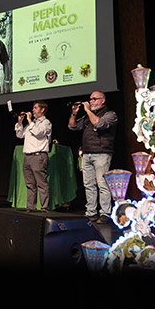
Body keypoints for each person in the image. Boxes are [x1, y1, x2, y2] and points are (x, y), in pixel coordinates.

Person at [68, 91, 118, 221]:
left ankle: (105, 213)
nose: (91, 102)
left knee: (102, 184)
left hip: (102, 153)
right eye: (90, 99)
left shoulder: (110, 114)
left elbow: (99, 124)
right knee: (89, 184)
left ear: (102, 101)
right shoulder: (87, 117)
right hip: (87, 153)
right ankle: (91, 212)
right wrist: (74, 113)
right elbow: (72, 126)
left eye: (94, 99)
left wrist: (88, 110)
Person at [14, 102, 52, 212]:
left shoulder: (46, 123)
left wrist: (30, 121)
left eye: (35, 108)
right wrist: (20, 122)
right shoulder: (32, 124)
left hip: (38, 156)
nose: (33, 110)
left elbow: (38, 132)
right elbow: (19, 135)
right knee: (30, 184)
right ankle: (31, 208)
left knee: (41, 184)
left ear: (42, 110)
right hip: (28, 157)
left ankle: (44, 208)